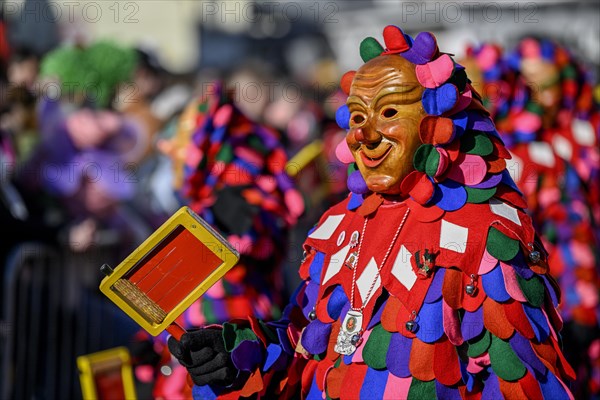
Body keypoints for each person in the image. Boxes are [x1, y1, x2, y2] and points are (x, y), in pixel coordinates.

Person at [167, 26, 576, 399]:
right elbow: (306, 342)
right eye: (358, 116)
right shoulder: (337, 226)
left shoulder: (487, 237)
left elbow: (518, 385)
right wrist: (236, 358)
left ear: (437, 119)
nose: (363, 134)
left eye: (390, 112)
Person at [463, 37, 599, 399]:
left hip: (570, 286)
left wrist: (581, 300)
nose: (543, 95)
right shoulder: (495, 144)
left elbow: (572, 226)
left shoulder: (569, 137)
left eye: (548, 83)